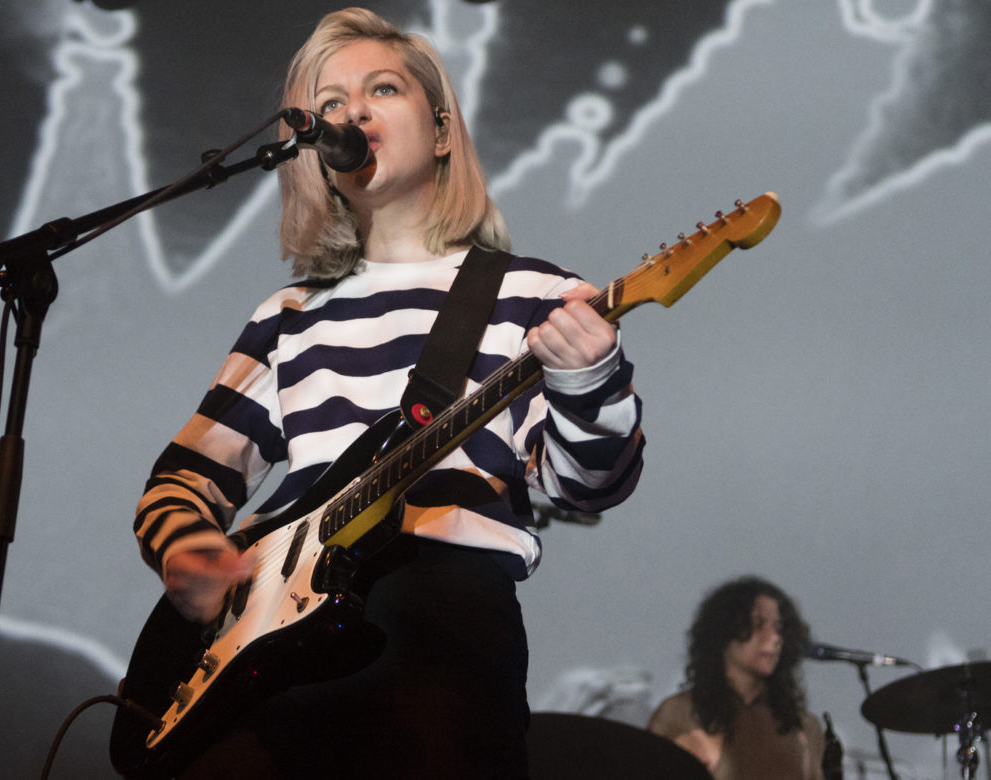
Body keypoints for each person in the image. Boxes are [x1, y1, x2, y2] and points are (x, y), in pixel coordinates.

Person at [130, 7, 644, 778]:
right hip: (270, 649)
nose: (352, 113)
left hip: (441, 625)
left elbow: (587, 484)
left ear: (441, 132)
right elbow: (183, 478)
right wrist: (188, 545)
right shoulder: (288, 317)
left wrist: (589, 378)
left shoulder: (538, 294)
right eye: (329, 104)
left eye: (382, 89)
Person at [647, 576, 826, 780]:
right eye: (759, 625)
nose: (774, 638)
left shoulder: (803, 726)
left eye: (779, 628)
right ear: (725, 630)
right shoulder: (678, 714)